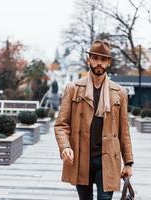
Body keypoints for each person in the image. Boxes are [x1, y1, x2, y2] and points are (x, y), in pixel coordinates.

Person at [54, 39, 134, 200]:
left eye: (103, 60)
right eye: (96, 58)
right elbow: (61, 125)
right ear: (88, 59)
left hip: (108, 158)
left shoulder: (120, 93)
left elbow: (124, 131)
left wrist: (128, 163)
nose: (99, 63)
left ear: (108, 62)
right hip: (81, 157)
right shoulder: (73, 89)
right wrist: (65, 147)